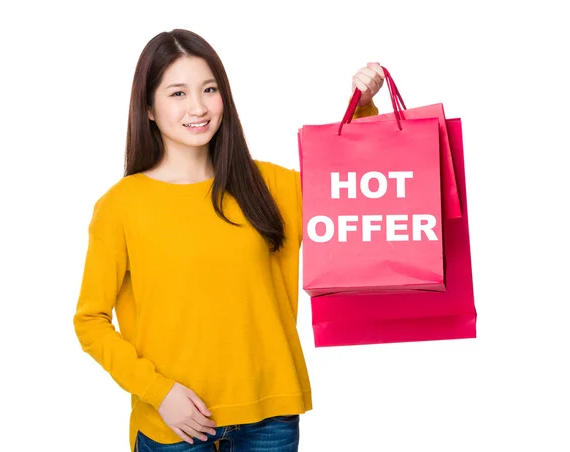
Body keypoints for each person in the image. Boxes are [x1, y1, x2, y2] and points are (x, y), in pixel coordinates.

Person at [73, 28, 384, 452]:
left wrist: (363, 111)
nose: (198, 107)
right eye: (177, 94)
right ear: (147, 107)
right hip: (176, 426)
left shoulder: (268, 185)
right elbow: (90, 320)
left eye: (209, 89)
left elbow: (359, 194)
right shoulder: (121, 205)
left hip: (270, 418)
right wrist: (158, 392)